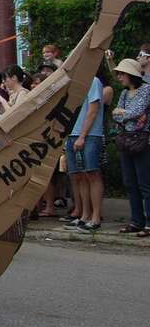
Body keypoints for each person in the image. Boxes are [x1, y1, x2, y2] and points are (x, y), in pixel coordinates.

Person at [61, 72, 105, 233]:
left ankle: (96, 217)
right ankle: (84, 215)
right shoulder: (75, 83)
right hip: (73, 134)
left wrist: (82, 135)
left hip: (89, 135)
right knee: (78, 176)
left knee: (92, 174)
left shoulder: (93, 81)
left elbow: (93, 110)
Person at [111, 59, 150, 237]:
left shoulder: (146, 90)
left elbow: (136, 111)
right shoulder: (124, 94)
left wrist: (123, 113)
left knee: (145, 183)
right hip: (126, 140)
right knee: (130, 183)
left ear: (131, 75)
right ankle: (136, 220)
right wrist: (124, 114)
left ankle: (148, 222)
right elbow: (116, 115)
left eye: (122, 74)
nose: (119, 77)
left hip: (142, 141)